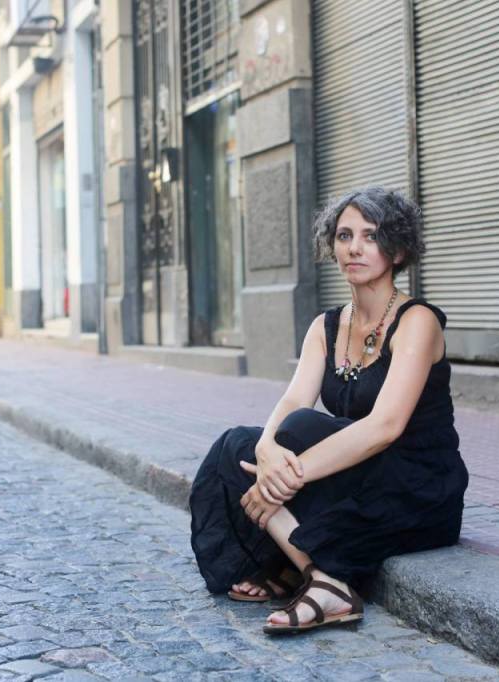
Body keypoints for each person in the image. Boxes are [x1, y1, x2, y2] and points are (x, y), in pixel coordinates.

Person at [189, 186, 468, 634]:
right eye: (344, 235)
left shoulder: (418, 321)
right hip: (357, 472)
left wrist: (286, 476)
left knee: (299, 431)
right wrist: (266, 452)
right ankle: (322, 578)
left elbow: (385, 426)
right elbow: (293, 399)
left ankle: (307, 574)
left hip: (416, 487)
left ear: (397, 250)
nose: (354, 248)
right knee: (236, 446)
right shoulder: (326, 326)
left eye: (371, 236)